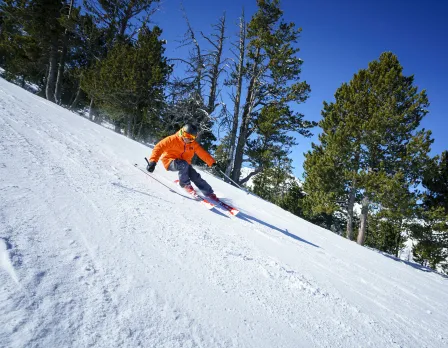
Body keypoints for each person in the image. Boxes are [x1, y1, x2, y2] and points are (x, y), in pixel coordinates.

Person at [146, 124, 219, 200]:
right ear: (182, 132)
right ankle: (185, 184)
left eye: (191, 137)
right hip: (169, 161)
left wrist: (212, 163)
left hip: (185, 164)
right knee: (183, 165)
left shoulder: (193, 144)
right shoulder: (172, 139)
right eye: (186, 135)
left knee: (195, 175)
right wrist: (153, 161)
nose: (188, 138)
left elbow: (203, 154)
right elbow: (158, 147)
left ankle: (209, 192)